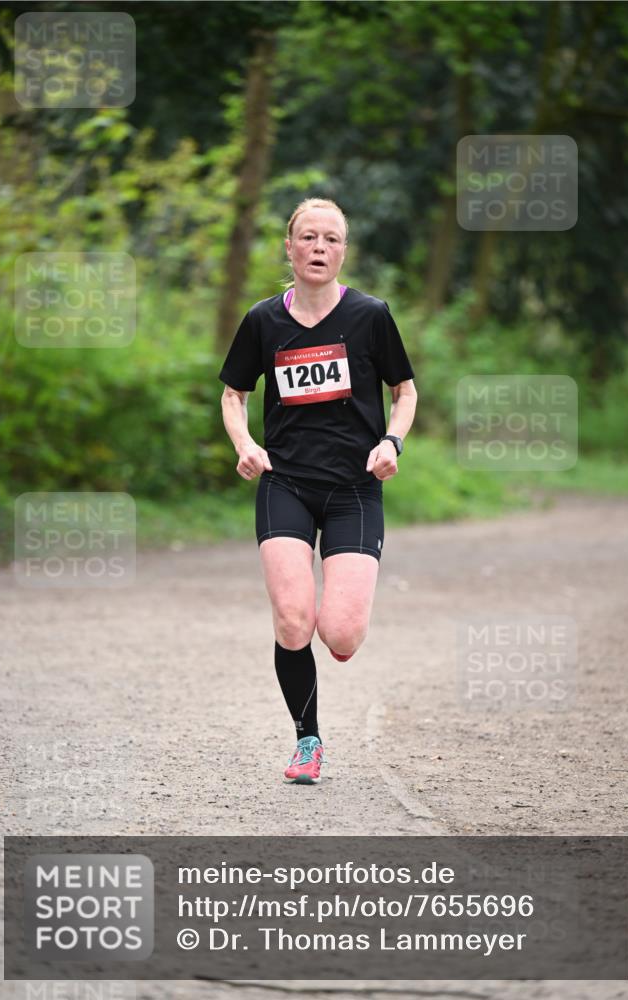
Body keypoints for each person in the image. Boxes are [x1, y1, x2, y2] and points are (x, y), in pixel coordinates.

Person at [219, 197, 417, 785]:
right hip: (286, 483)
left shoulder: (370, 315)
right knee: (292, 622)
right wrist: (245, 444)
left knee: (341, 635)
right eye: (308, 237)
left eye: (331, 239)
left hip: (355, 486)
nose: (319, 248)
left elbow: (405, 391)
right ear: (290, 247)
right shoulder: (263, 321)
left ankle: (339, 631)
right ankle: (308, 740)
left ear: (343, 251)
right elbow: (233, 395)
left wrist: (392, 442)